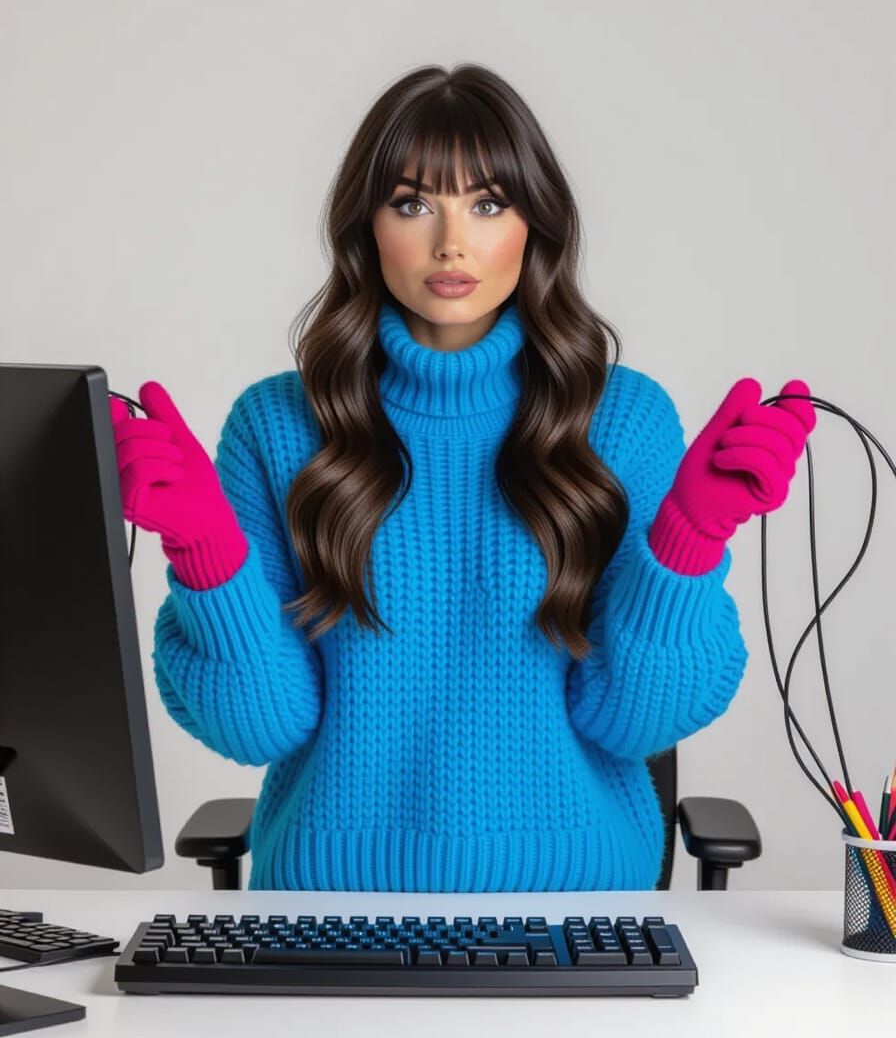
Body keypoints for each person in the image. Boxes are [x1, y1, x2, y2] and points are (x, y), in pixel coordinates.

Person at [110, 63, 816, 892]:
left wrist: (688, 545)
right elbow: (259, 729)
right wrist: (204, 554)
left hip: (575, 906)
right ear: (367, 226)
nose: (451, 243)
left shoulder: (623, 421)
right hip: (329, 903)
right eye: (413, 204)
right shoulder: (277, 426)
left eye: (488, 204)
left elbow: (637, 723)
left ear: (535, 224)